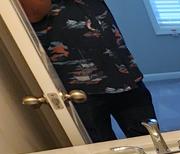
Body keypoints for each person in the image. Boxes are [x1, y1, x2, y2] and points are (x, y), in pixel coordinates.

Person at [19, 0, 157, 142]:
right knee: (100, 150)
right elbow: (33, 12)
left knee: (152, 140)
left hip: (124, 74)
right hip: (78, 88)